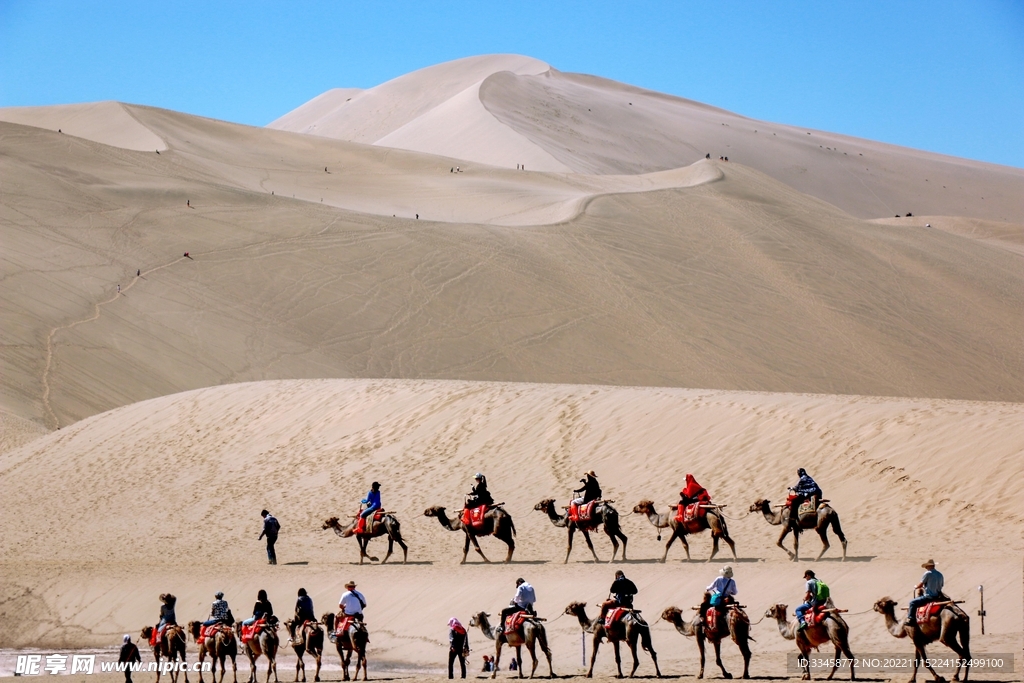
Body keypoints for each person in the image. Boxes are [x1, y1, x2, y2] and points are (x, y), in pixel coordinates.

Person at [906, 560, 944, 626]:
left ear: (929, 566)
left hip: (928, 597)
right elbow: (941, 585)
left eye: (926, 566)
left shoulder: (927, 573)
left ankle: (911, 619)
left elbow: (920, 584)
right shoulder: (940, 574)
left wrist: (916, 587)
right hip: (938, 596)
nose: (926, 568)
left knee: (912, 602)